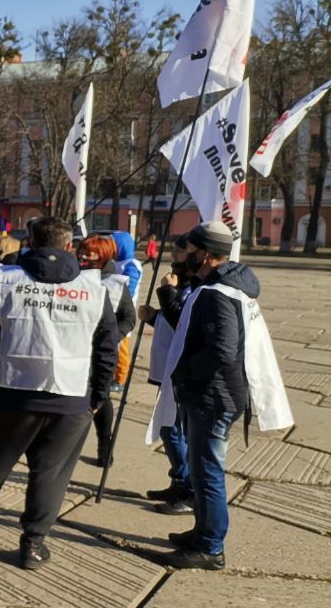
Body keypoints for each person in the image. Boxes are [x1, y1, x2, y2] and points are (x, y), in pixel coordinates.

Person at [0, 216, 118, 571]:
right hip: (70, 397)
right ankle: (32, 545)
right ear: (68, 246)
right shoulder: (95, 286)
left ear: (29, 242)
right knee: (51, 474)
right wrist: (98, 395)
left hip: (10, 390)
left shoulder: (8, 279)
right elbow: (107, 345)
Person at [153, 221, 287, 570]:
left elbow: (222, 350)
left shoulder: (217, 293)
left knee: (208, 471)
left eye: (192, 250)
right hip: (214, 393)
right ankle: (202, 531)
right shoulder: (220, 284)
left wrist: (183, 371)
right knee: (200, 470)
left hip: (214, 396)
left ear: (207, 255)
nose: (187, 255)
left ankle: (211, 547)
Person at [139, 236, 196, 510]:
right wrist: (152, 316)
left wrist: (167, 292)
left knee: (171, 430)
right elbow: (171, 319)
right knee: (169, 429)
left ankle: (187, 486)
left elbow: (182, 320)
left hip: (180, 370)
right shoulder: (181, 284)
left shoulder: (192, 287)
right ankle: (179, 481)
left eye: (180, 250)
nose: (174, 255)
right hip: (167, 367)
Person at [76, 234, 136, 466]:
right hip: (73, 348)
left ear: (103, 255)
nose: (83, 256)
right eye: (81, 251)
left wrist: (110, 338)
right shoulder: (72, 275)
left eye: (89, 253)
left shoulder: (116, 283)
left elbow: (128, 318)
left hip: (100, 352)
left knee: (101, 397)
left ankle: (105, 444)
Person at [111, 230, 143, 300]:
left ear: (121, 246)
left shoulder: (131, 265)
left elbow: (128, 291)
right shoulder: (113, 262)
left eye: (112, 245)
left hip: (123, 307)